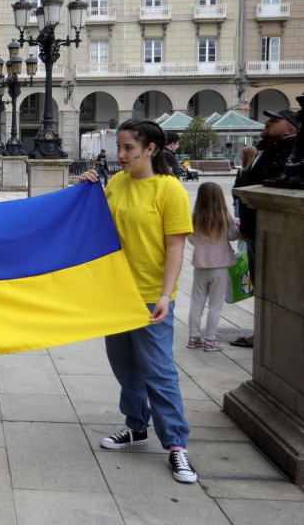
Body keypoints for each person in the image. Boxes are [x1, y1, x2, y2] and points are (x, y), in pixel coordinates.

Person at [80, 119, 198, 484]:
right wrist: (85, 190)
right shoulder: (116, 183)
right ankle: (136, 427)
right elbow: (94, 222)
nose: (120, 155)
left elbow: (176, 247)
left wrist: (166, 295)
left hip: (150, 297)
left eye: (129, 148)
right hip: (117, 293)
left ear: (150, 149)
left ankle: (176, 445)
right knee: (124, 365)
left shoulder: (169, 190)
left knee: (158, 370)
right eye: (119, 147)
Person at [230, 109, 298, 348]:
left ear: (290, 129)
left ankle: (268, 335)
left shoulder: (286, 150)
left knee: (269, 285)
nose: (267, 122)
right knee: (261, 283)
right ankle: (262, 332)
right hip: (255, 228)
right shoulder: (269, 147)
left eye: (275, 120)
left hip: (268, 229)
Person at [186, 182, 240, 352]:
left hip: (201, 266)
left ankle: (194, 337)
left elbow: (191, 240)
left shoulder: (194, 219)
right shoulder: (225, 218)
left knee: (196, 302)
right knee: (215, 305)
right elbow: (233, 237)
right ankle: (210, 340)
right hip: (220, 267)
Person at [233, 145, 257, 218]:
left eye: (242, 154)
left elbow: (236, 187)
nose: (241, 156)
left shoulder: (242, 172)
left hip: (240, 202)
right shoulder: (257, 171)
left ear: (247, 156)